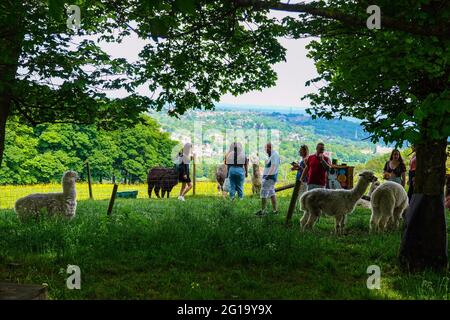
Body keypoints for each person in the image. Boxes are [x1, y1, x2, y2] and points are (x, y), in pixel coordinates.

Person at [255, 143, 281, 215]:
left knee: (263, 192)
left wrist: (267, 176)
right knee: (271, 193)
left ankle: (263, 211)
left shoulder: (274, 155)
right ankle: (275, 210)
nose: (265, 150)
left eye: (266, 148)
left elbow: (273, 166)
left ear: (270, 148)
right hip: (269, 177)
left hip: (269, 177)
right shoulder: (272, 155)